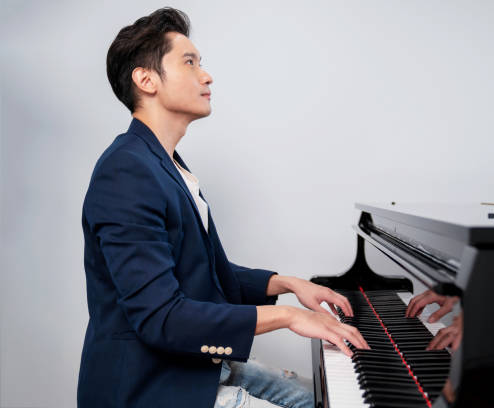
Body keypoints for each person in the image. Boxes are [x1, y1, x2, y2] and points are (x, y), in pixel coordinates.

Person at [77, 7, 368, 408]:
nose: (207, 75)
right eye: (190, 62)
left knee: (324, 398)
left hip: (196, 366)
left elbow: (206, 274)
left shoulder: (169, 165)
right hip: (151, 388)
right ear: (146, 80)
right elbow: (162, 316)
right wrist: (288, 318)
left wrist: (288, 284)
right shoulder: (126, 171)